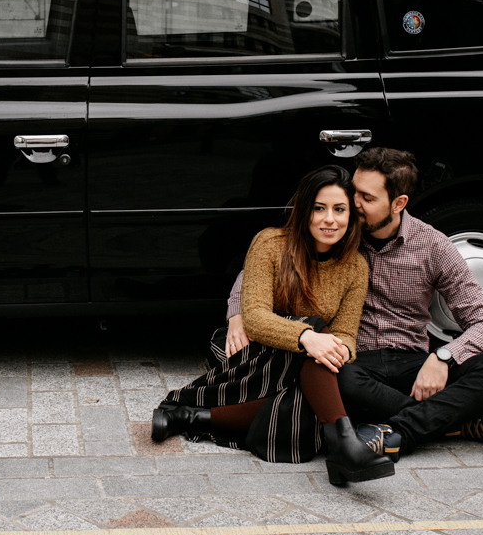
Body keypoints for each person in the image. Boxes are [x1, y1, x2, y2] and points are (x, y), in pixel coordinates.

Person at [151, 166, 394, 485]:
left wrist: (339, 350)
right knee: (315, 339)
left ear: (351, 215)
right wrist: (308, 337)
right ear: (305, 209)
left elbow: (347, 333)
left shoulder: (355, 266)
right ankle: (344, 445)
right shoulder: (271, 243)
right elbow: (254, 316)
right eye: (319, 208)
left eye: (339, 209)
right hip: (247, 349)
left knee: (305, 398)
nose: (329, 219)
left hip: (309, 361)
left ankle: (190, 417)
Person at [338, 147, 483, 458]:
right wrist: (238, 315)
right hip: (360, 365)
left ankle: (399, 432)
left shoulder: (433, 245)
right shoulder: (336, 230)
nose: (354, 204)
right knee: (340, 380)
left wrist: (444, 357)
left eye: (367, 198)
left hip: (414, 366)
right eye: (354, 192)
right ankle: (460, 424)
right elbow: (267, 261)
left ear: (399, 203)